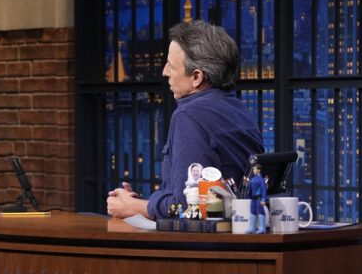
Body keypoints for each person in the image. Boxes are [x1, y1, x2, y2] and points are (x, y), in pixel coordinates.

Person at [107, 20, 264, 220]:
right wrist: (143, 206)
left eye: (171, 66)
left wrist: (133, 206)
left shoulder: (190, 115)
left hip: (204, 238)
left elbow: (187, 207)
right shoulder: (240, 111)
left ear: (197, 77)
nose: (164, 72)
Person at [244, 164, 268, 234]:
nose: (253, 170)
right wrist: (248, 196)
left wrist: (263, 199)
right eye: (253, 169)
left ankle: (262, 228)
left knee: (260, 211)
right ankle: (252, 227)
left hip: (259, 198)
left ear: (259, 170)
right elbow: (250, 190)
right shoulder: (252, 179)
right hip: (253, 199)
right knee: (252, 211)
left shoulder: (261, 180)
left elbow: (264, 190)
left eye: (255, 169)